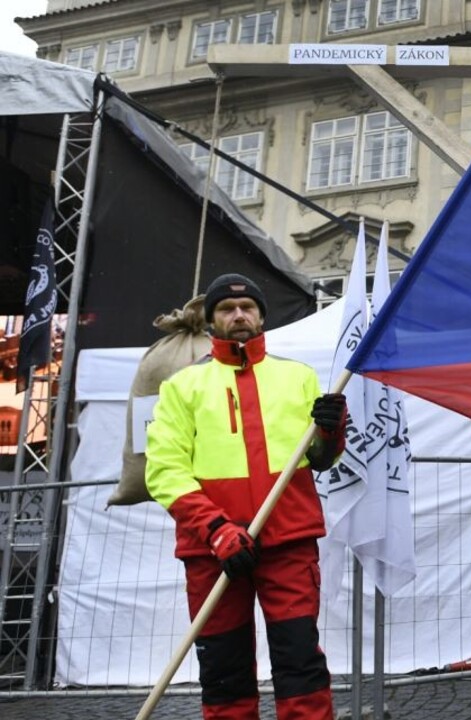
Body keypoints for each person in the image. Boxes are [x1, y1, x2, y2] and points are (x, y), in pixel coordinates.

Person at [146, 273, 349, 720]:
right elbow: (164, 470)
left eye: (247, 308)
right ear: (211, 320)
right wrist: (216, 530)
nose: (239, 315)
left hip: (288, 540)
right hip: (212, 550)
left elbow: (320, 458)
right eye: (226, 309)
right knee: (224, 670)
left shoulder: (297, 377)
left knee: (300, 661)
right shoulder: (182, 387)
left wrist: (333, 429)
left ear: (261, 315)